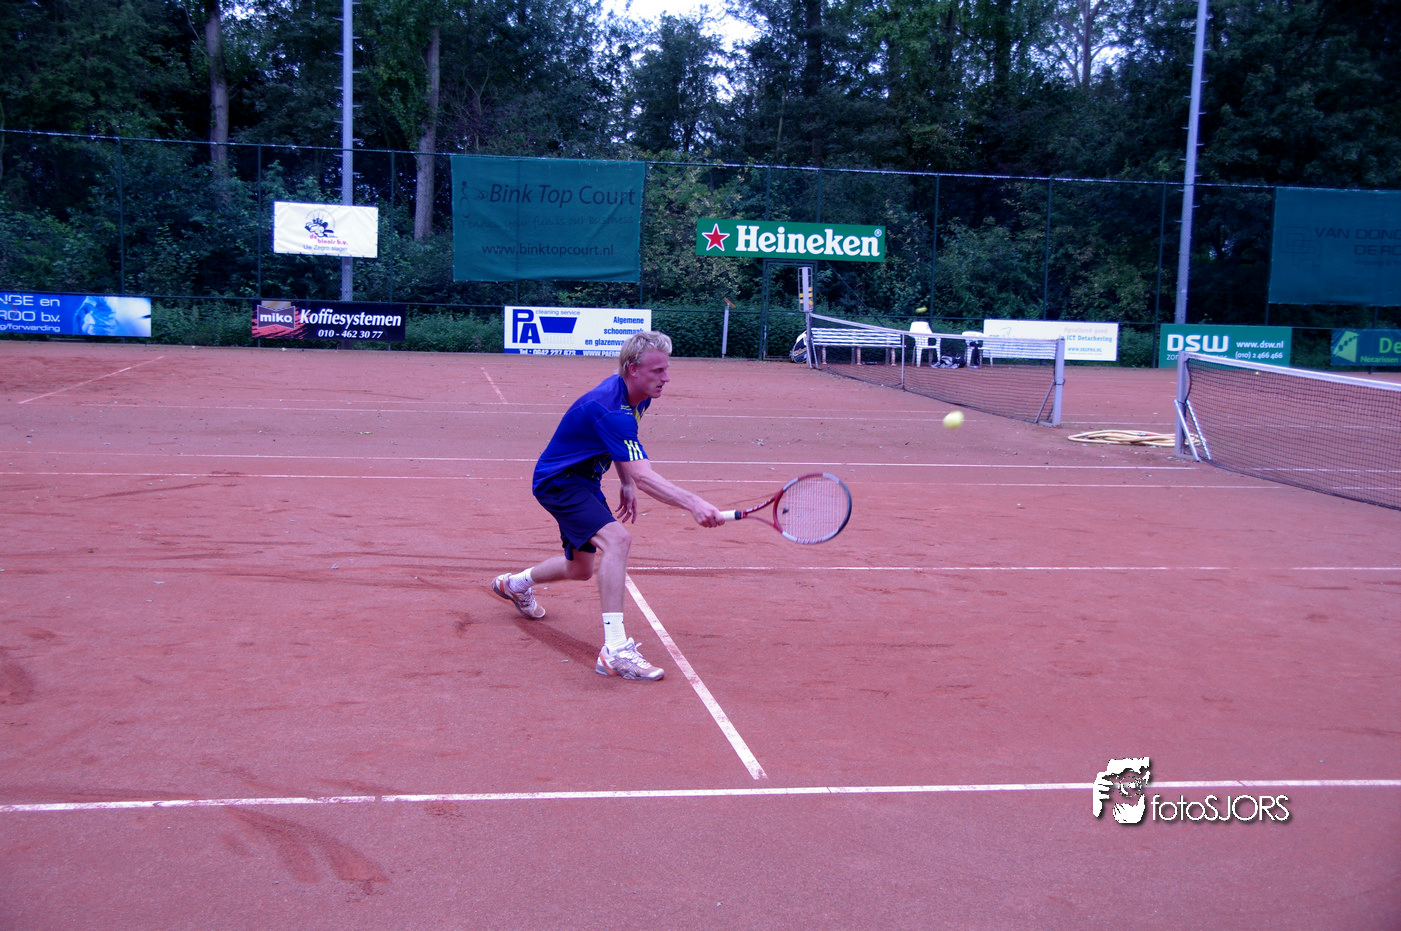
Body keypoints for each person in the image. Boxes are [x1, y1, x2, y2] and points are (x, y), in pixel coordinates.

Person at [492, 331, 724, 681]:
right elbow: (645, 474)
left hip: (583, 480)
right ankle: (614, 650)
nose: (666, 378)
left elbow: (623, 449)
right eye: (658, 370)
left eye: (666, 369)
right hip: (559, 482)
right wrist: (693, 502)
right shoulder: (611, 409)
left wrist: (625, 481)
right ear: (633, 369)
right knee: (618, 540)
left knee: (580, 569)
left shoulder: (636, 396)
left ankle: (515, 584)